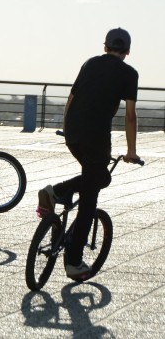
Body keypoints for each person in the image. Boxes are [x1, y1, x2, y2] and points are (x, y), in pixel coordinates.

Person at [37, 27, 140, 280]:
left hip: (73, 132)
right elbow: (130, 116)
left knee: (101, 177)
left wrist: (68, 130)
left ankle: (58, 192)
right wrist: (131, 152)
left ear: (105, 47)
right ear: (127, 51)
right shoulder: (129, 73)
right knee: (89, 202)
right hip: (96, 138)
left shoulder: (90, 63)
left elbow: (71, 98)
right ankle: (73, 261)